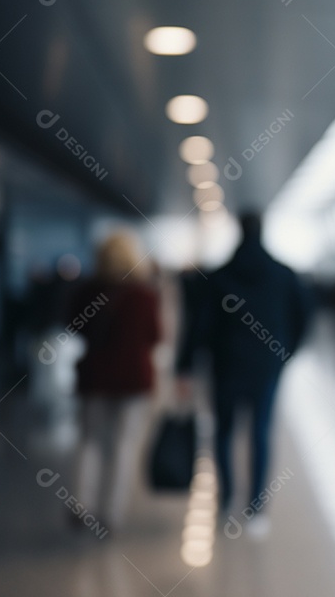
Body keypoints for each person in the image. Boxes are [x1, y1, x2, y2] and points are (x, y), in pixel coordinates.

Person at [176, 212, 312, 534]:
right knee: (261, 432)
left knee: (223, 431)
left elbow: (200, 324)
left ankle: (226, 500)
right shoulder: (283, 275)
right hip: (266, 366)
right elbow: (304, 315)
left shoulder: (221, 277)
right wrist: (285, 353)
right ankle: (256, 506)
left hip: (226, 365)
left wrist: (186, 364)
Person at [70, 231, 162, 533]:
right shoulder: (144, 295)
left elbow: (74, 327)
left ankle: (83, 505)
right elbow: (155, 336)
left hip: (96, 376)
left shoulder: (89, 291)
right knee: (125, 444)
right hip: (133, 378)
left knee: (91, 441)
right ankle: (111, 513)